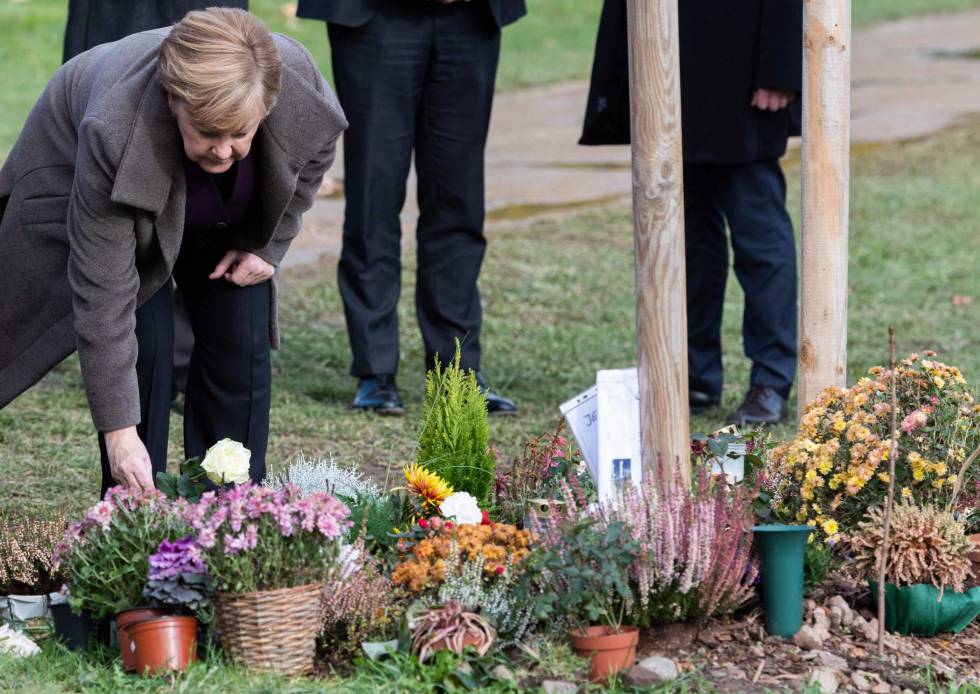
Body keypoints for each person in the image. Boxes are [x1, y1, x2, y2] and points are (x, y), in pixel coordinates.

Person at [0, 8, 347, 493]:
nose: (223, 152)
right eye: (208, 133)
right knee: (148, 347)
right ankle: (136, 512)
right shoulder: (114, 130)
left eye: (240, 135)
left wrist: (271, 243)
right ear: (175, 103)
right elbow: (103, 295)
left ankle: (230, 516)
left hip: (225, 215)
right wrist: (119, 435)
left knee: (241, 343)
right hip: (110, 186)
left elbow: (316, 150)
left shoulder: (294, 81)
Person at [296, 0, 525, 416]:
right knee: (374, 197)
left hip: (471, 17)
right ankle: (375, 371)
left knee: (459, 200)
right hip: (374, 17)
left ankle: (457, 369)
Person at [581, 0, 802, 425]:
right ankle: (693, 373)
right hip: (666, 56)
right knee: (685, 234)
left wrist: (779, 66)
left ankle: (771, 379)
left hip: (742, 66)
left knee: (759, 237)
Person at [62, 0, 251, 410]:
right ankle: (132, 379)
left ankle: (183, 361)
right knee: (121, 221)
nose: (224, 149)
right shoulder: (110, 118)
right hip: (118, 21)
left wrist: (270, 242)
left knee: (209, 202)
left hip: (212, 21)